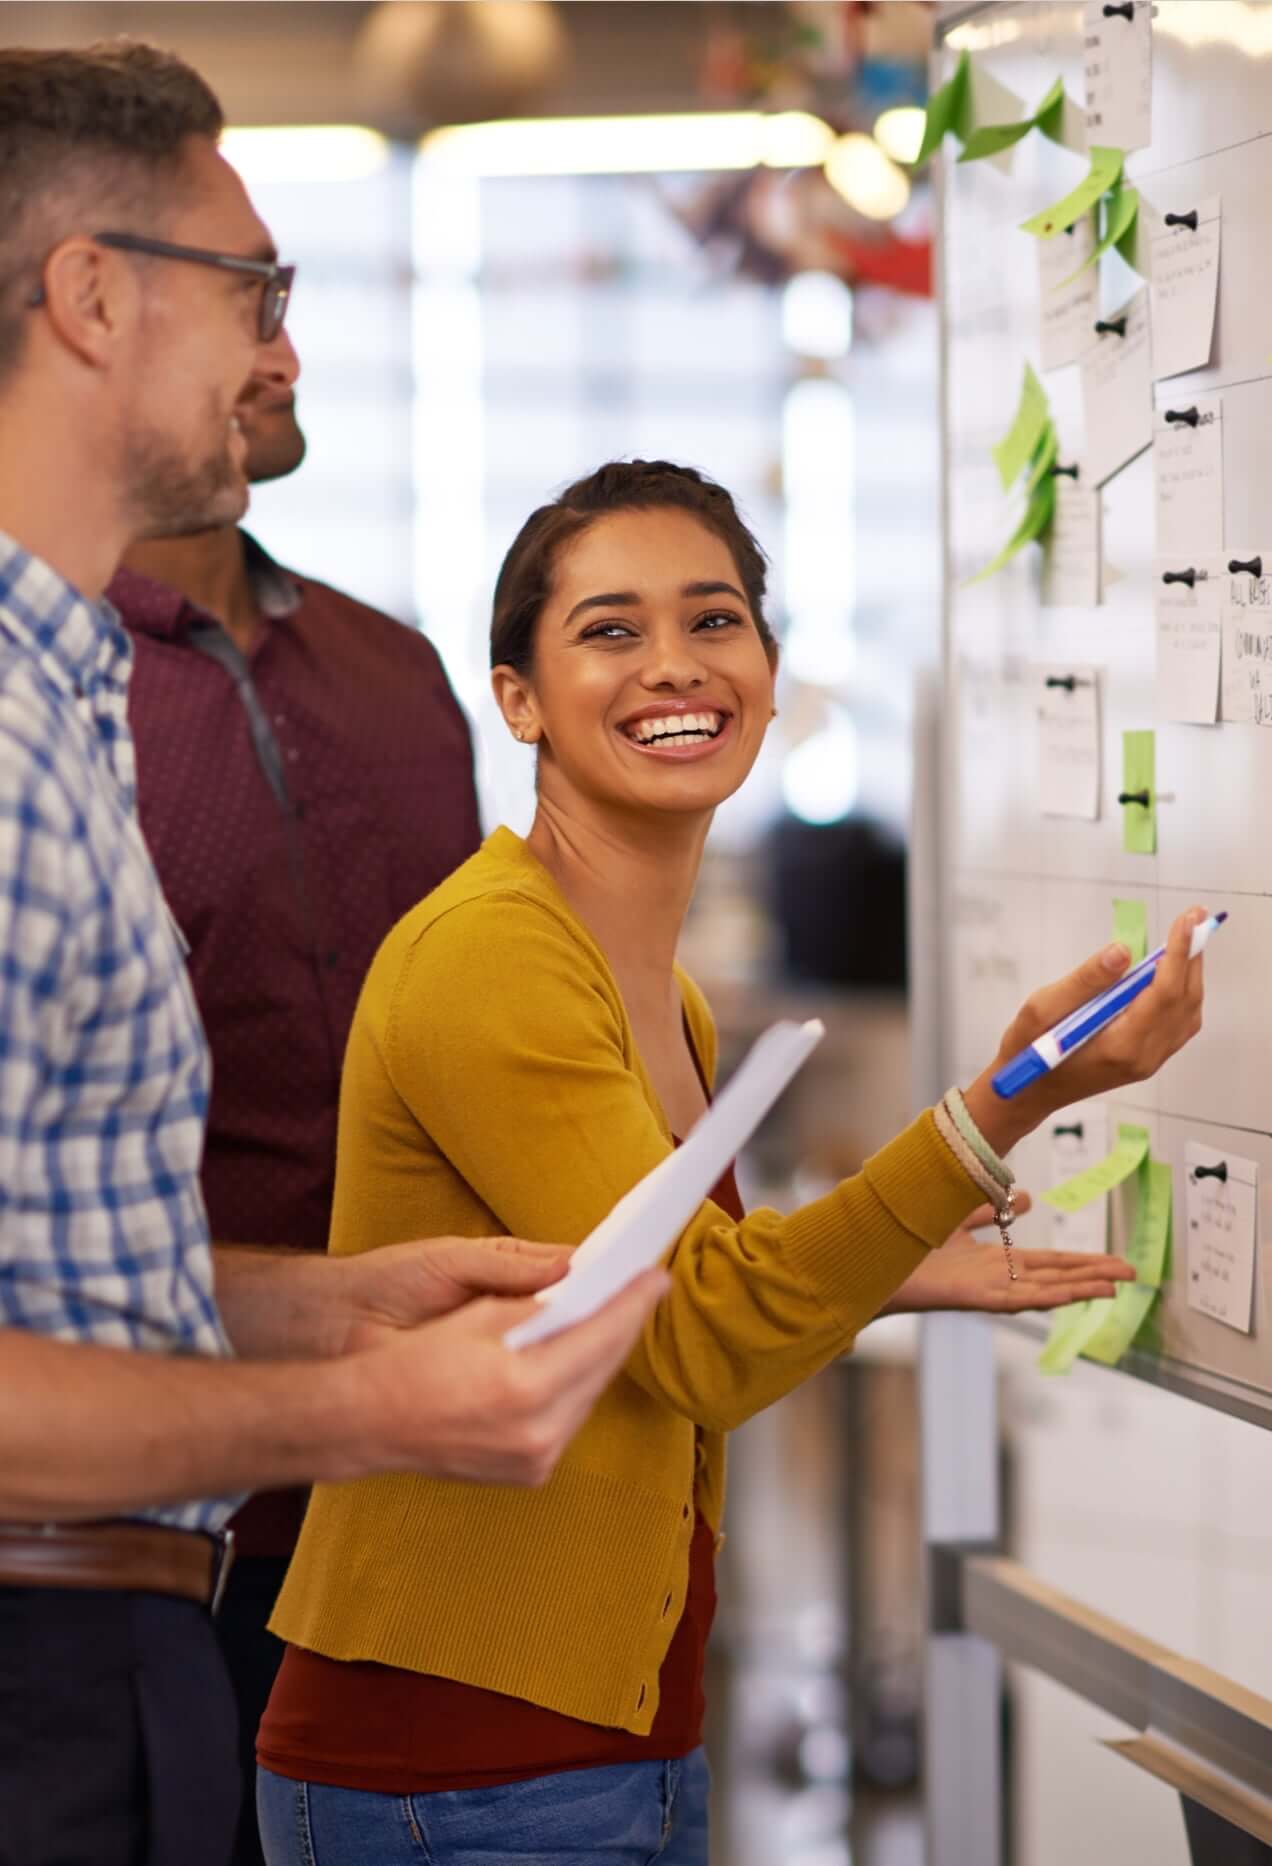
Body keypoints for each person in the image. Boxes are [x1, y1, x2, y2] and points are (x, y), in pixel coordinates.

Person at [256, 460, 1207, 1865]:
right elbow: (705, 1336)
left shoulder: (663, 990)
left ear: (765, 667)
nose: (674, 666)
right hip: (453, 1768)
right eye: (610, 630)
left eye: (714, 620)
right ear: (517, 697)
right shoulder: (492, 957)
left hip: (614, 1748)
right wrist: (997, 1110)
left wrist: (878, 1270)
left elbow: (652, 1311)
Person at [0, 48, 664, 1866]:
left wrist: (345, 1299)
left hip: (132, 1623)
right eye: (253, 283)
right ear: (92, 294)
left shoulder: (60, 712)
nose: (278, 341)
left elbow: (62, 1255)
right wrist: (364, 1400)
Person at [109, 319, 482, 1866]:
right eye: (251, 312)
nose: (294, 358)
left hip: (427, 1501)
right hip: (148, 1527)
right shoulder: (43, 694)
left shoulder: (396, 671)